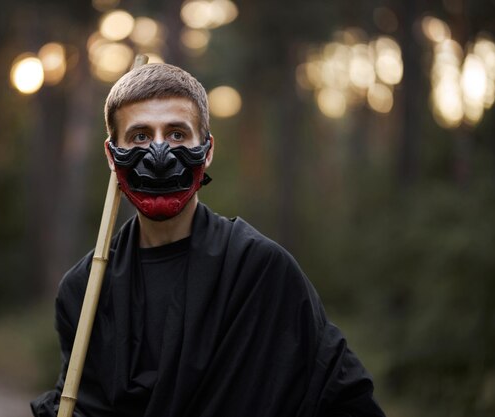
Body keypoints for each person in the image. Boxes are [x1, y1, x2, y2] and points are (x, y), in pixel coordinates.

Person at [31, 63, 385, 417]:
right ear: (112, 155)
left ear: (208, 149)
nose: (159, 154)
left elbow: (343, 399)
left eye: (176, 134)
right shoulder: (85, 291)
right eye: (139, 136)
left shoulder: (261, 272)